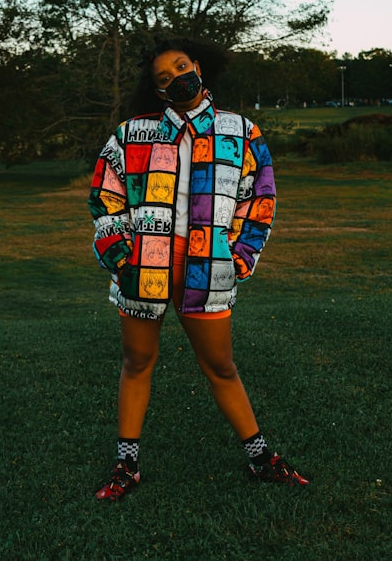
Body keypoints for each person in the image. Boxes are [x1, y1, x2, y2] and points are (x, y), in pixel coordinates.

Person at [88, 37, 308, 501]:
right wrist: (119, 253)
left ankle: (260, 457)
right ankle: (126, 465)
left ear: (199, 67)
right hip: (143, 266)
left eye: (181, 67)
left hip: (208, 266)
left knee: (221, 366)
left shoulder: (241, 132)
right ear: (157, 89)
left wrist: (242, 256)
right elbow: (105, 194)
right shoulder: (132, 133)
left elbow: (259, 198)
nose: (175, 79)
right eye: (163, 78)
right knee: (137, 362)